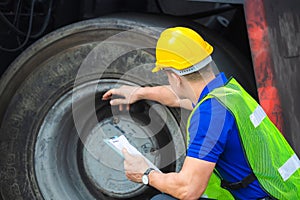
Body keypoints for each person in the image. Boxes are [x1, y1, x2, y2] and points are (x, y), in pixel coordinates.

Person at [102, 27, 300, 200]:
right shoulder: (228, 93)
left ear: (174, 76)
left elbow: (188, 190)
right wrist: (140, 92)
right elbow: (176, 97)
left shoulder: (210, 116)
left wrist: (145, 174)